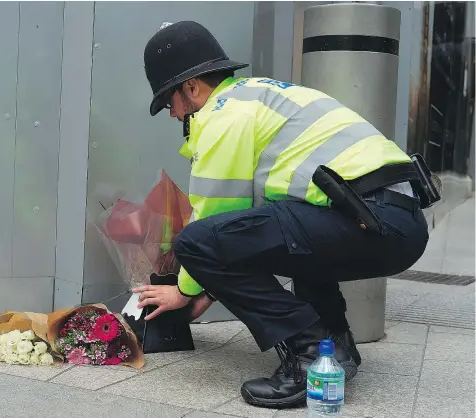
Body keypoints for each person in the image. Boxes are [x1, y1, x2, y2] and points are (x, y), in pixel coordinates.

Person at [132, 21, 430, 409]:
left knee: (196, 242)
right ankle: (333, 348)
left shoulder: (225, 113)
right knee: (290, 227)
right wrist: (210, 283)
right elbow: (249, 228)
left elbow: (211, 221)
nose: (172, 115)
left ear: (191, 87)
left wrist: (187, 288)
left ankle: (309, 355)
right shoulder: (263, 95)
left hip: (370, 216)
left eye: (168, 102)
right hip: (396, 220)